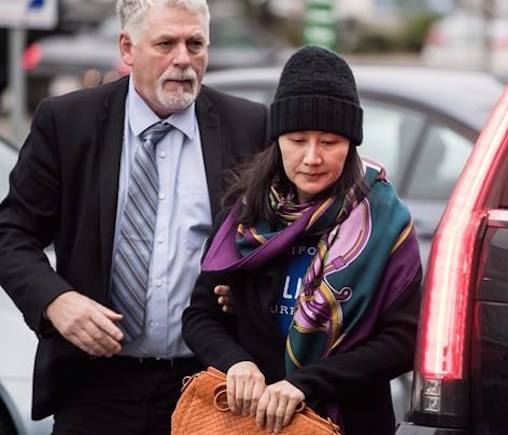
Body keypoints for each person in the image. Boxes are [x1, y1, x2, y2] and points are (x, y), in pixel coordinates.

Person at [0, 0, 267, 433]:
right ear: (128, 47)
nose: (184, 58)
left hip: (206, 386)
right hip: (94, 386)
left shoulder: (248, 125)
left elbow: (281, 238)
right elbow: (11, 233)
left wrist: (252, 293)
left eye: (195, 43)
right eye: (166, 43)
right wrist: (55, 301)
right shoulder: (69, 122)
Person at [182, 45, 423, 435]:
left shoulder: (384, 225)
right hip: (247, 423)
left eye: (329, 142)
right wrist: (236, 363)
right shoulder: (246, 217)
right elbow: (200, 315)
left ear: (351, 143)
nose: (312, 157)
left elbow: (403, 339)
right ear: (277, 140)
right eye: (297, 140)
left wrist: (306, 385)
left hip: (348, 422)